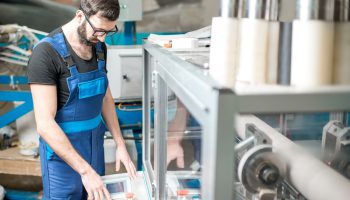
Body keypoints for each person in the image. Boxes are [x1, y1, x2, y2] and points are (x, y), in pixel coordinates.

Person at [27, 0, 137, 199]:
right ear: (80, 16)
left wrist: (120, 144)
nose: (102, 37)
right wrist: (85, 171)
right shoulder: (45, 54)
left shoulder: (100, 47)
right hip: (62, 156)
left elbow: (105, 97)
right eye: (98, 30)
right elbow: (44, 124)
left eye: (108, 31)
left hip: (95, 147)